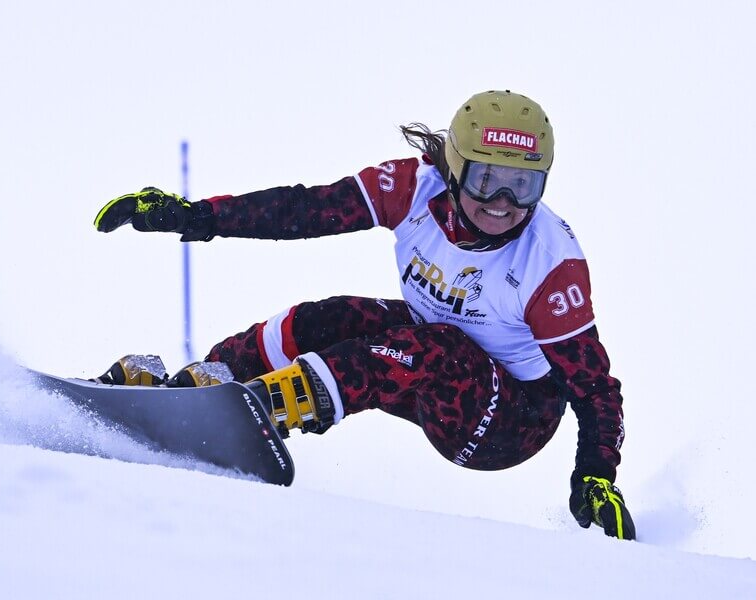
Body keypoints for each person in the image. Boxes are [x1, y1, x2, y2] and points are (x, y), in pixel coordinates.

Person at [93, 90, 636, 540]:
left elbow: (594, 387)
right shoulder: (411, 188)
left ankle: (262, 408)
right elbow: (303, 210)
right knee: (328, 320)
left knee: (423, 349)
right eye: (486, 180)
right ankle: (203, 386)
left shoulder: (549, 265)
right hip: (436, 349)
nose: (502, 203)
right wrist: (196, 215)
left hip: (509, 422)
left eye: (523, 185)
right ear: (454, 168)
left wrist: (595, 476)